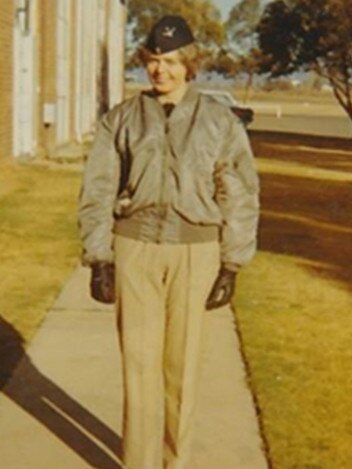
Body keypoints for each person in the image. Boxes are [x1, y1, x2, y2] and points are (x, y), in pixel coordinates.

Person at [78, 15, 259, 469]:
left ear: (190, 65)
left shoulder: (219, 121)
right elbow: (98, 189)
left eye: (173, 61)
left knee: (182, 368)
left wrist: (232, 265)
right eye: (155, 60)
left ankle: (175, 462)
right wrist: (100, 257)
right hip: (134, 250)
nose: (162, 70)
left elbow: (238, 192)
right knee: (138, 368)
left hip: (195, 254)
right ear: (145, 62)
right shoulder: (120, 120)